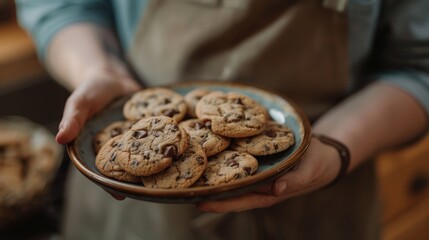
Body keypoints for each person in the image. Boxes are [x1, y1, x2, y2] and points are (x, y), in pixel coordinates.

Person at [16, 0, 429, 239]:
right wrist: (97, 70)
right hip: (129, 210)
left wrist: (336, 146)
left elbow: (418, 65)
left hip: (322, 199)